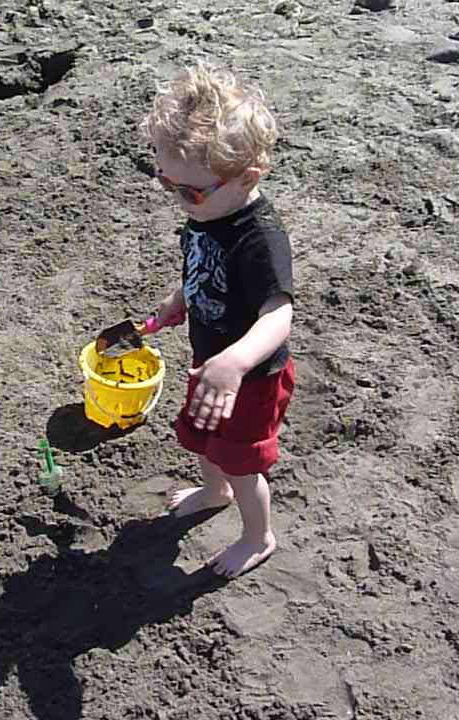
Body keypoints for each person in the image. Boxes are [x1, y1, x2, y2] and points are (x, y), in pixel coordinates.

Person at [139, 61, 295, 578]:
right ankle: (213, 491)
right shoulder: (206, 212)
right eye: (165, 182)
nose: (177, 199)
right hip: (211, 364)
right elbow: (203, 266)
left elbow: (279, 314)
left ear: (246, 178)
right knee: (204, 439)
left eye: (188, 191)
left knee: (241, 463)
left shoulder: (259, 237)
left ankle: (257, 537)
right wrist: (179, 298)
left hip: (250, 379)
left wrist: (236, 361)